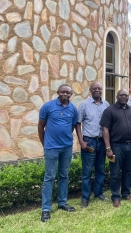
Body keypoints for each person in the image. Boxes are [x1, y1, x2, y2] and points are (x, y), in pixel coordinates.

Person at [38, 84, 78, 222]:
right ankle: (46, 209)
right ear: (58, 92)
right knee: (49, 177)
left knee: (64, 175)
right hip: (51, 147)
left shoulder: (73, 109)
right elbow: (40, 126)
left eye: (68, 92)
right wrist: (45, 145)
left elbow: (72, 127)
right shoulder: (48, 107)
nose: (65, 94)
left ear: (71, 94)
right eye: (63, 92)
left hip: (66, 147)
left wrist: (65, 139)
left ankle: (62, 203)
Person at [99, 89, 131, 207]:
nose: (124, 97)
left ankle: (126, 193)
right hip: (116, 146)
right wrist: (108, 148)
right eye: (121, 95)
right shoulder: (110, 110)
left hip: (130, 145)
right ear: (117, 96)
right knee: (115, 173)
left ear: (128, 97)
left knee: (128, 171)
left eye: (126, 95)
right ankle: (115, 196)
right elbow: (105, 129)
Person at [75, 82, 110, 208]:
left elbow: (108, 125)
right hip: (89, 141)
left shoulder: (106, 104)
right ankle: (85, 197)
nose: (97, 90)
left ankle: (99, 193)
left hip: (102, 141)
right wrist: (81, 141)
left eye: (99, 88)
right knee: (87, 171)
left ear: (102, 90)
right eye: (94, 88)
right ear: (90, 90)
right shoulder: (84, 105)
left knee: (100, 169)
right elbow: (78, 123)